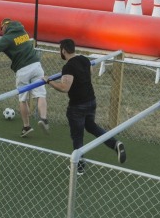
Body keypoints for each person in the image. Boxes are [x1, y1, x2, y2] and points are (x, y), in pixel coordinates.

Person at [45, 39, 127, 176]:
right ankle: (115, 144)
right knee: (91, 126)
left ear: (63, 50)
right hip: (91, 101)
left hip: (77, 106)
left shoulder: (68, 67)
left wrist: (49, 81)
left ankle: (80, 166)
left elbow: (65, 87)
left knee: (77, 136)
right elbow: (90, 72)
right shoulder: (84, 59)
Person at [0, 18, 49, 137]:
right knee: (41, 94)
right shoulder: (23, 32)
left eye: (2, 28)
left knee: (23, 99)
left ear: (5, 26)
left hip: (23, 69)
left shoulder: (7, 38)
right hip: (36, 65)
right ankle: (44, 118)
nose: (2, 31)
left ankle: (26, 126)